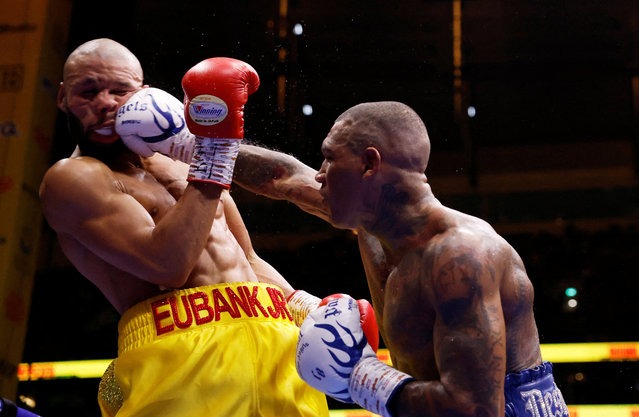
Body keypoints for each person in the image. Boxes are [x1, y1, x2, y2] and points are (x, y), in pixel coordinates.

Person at [38, 38, 329, 417]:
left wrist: (310, 312)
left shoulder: (177, 162)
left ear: (143, 93)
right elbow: (167, 265)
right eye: (88, 92)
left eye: (120, 91)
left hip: (276, 344)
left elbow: (247, 259)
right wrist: (215, 152)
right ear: (63, 98)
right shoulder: (72, 179)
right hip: (183, 352)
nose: (106, 103)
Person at [232, 101, 570, 417]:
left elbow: (475, 409)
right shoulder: (369, 221)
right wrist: (200, 149)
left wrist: (360, 377)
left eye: (330, 159)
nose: (319, 174)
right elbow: (283, 177)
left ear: (369, 165)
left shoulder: (459, 258)